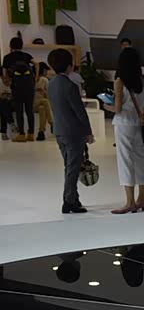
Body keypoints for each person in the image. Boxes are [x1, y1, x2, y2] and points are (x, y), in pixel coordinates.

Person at [46, 48, 94, 214]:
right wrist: (88, 131)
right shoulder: (70, 86)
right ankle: (69, 201)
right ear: (69, 65)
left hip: (59, 130)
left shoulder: (51, 84)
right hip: (73, 132)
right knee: (73, 167)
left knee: (69, 166)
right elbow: (80, 112)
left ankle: (73, 197)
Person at [104, 47, 144, 214]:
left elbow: (117, 108)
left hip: (123, 124)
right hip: (137, 123)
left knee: (125, 161)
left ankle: (130, 202)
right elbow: (143, 107)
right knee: (140, 160)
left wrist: (105, 105)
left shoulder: (120, 81)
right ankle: (141, 199)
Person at [2, 37, 37, 142]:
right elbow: (36, 63)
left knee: (19, 110)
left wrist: (7, 81)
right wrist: (36, 77)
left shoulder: (7, 57)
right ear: (21, 45)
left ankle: (21, 134)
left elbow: (4, 72)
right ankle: (31, 134)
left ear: (11, 46)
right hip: (29, 85)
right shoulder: (26, 56)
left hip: (17, 85)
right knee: (29, 110)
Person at [34, 62, 53, 140]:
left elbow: (47, 94)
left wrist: (43, 91)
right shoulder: (43, 80)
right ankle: (52, 123)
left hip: (38, 104)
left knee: (42, 108)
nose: (46, 72)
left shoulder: (34, 79)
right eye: (45, 70)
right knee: (45, 101)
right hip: (34, 103)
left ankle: (41, 132)